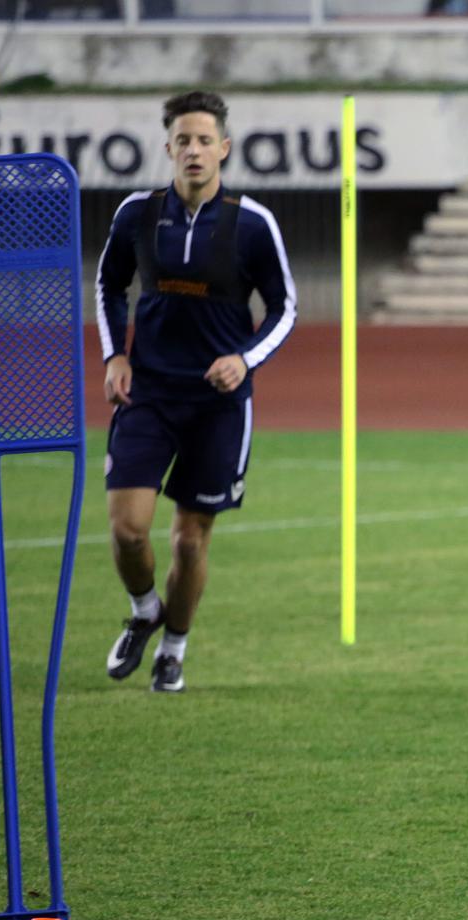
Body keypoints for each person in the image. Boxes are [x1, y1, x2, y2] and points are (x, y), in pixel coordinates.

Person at [95, 90, 297, 692]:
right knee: (128, 529)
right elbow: (108, 287)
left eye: (205, 140)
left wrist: (245, 359)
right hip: (148, 395)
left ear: (224, 148)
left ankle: (174, 650)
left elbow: (285, 309)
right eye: (183, 140)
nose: (194, 150)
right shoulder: (136, 213)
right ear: (168, 148)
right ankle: (143, 612)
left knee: (189, 540)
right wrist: (115, 355)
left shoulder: (253, 224)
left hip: (218, 407)